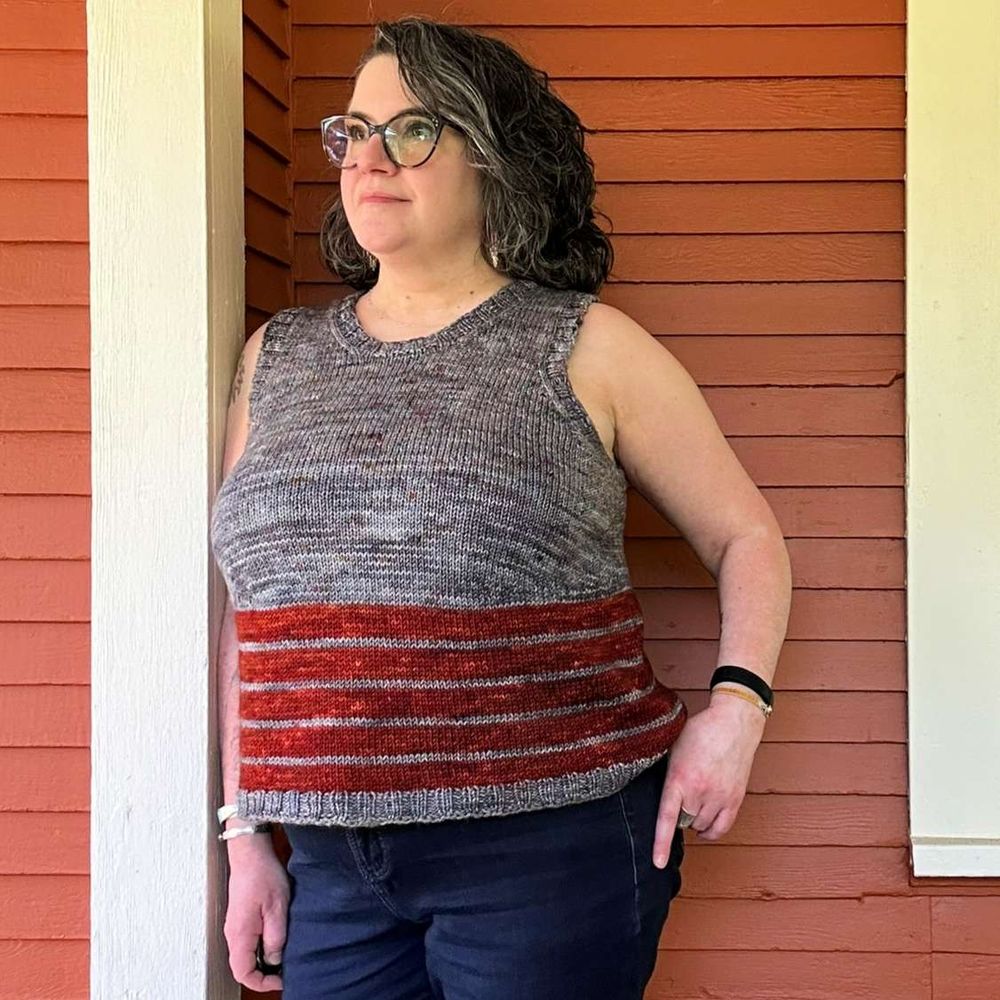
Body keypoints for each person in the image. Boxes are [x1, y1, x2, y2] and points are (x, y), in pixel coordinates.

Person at [209, 15, 791, 999]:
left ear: (492, 156)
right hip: (332, 869)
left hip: (544, 853)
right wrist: (245, 834)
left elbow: (745, 536)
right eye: (353, 130)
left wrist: (737, 709)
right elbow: (253, 617)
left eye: (411, 129)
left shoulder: (583, 346)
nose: (368, 157)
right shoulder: (280, 356)